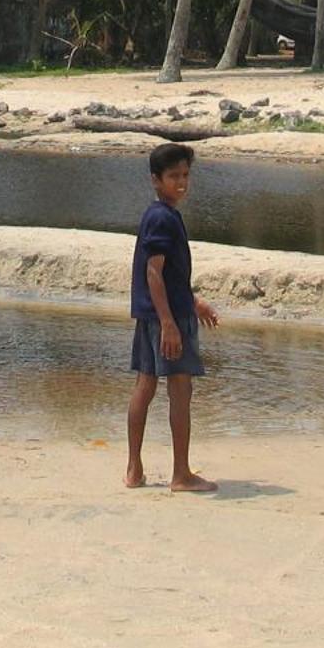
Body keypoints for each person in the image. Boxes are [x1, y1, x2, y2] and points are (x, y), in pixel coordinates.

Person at [125, 141, 219, 492]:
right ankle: (181, 474)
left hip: (155, 313)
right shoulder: (163, 217)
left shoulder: (157, 214)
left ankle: (134, 470)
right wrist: (169, 322)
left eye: (185, 175)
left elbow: (168, 277)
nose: (181, 183)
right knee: (180, 389)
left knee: (145, 384)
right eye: (173, 176)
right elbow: (154, 273)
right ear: (155, 179)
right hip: (167, 318)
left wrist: (195, 303)